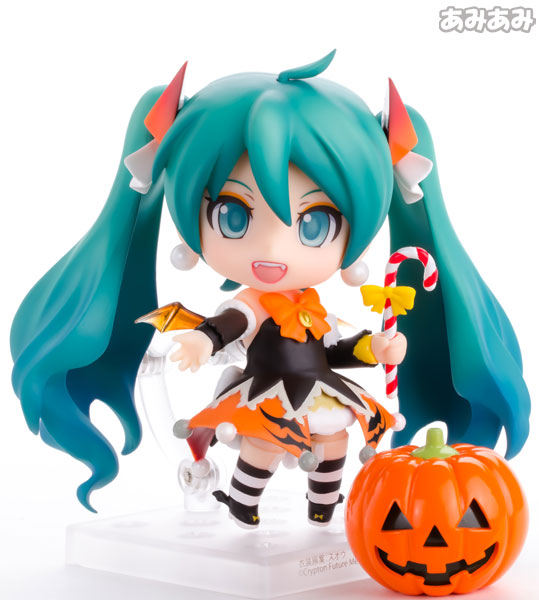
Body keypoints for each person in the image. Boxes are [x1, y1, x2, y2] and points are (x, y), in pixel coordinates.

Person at [10, 51, 530, 527]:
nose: (273, 251)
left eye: (314, 225)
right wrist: (202, 340)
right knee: (261, 444)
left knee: (333, 442)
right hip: (265, 392)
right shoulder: (252, 303)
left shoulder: (313, 308)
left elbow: (335, 349)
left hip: (319, 388)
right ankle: (243, 501)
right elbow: (230, 323)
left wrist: (376, 347)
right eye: (232, 216)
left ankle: (325, 505)